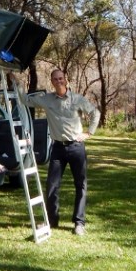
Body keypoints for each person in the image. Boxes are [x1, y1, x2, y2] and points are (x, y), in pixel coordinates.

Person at [15, 69, 100, 235]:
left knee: (80, 185)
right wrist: (17, 82)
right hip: (57, 148)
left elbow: (95, 113)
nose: (58, 81)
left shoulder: (77, 99)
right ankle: (52, 221)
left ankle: (79, 223)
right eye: (55, 79)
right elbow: (25, 100)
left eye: (61, 78)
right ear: (52, 82)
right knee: (52, 185)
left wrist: (88, 133)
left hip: (76, 147)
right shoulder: (47, 99)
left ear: (65, 80)